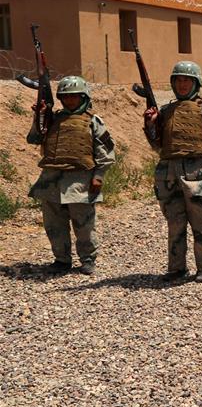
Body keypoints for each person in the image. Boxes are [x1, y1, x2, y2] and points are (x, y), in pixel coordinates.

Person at [144, 61, 202, 283]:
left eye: (187, 80)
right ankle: (176, 268)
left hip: (198, 172)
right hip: (169, 174)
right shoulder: (166, 111)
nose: (182, 84)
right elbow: (158, 146)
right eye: (178, 80)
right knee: (175, 222)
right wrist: (151, 125)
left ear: (196, 83)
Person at [27, 76, 115, 275]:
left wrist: (98, 176)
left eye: (74, 97)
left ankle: (88, 259)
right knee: (54, 224)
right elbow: (33, 139)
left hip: (80, 181)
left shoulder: (93, 121)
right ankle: (61, 259)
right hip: (51, 181)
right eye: (66, 97)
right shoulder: (51, 120)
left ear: (83, 97)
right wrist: (39, 118)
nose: (70, 101)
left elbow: (106, 153)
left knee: (84, 224)